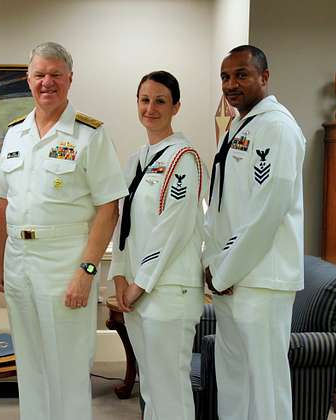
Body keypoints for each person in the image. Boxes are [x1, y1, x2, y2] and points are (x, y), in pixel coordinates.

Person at [0, 41, 128, 420]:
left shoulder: (90, 135)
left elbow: (108, 208)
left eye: (55, 75)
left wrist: (87, 271)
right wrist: (0, 264)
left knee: (67, 367)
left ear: (70, 79)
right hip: (19, 262)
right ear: (28, 79)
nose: (46, 82)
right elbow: (4, 202)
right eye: (39, 75)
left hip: (65, 262)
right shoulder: (15, 133)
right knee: (30, 365)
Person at [204, 45, 306, 420]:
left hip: (262, 279)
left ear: (265, 76)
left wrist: (223, 270)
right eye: (225, 77)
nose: (231, 84)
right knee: (235, 381)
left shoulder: (277, 128)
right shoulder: (240, 124)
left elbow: (267, 212)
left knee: (266, 385)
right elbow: (225, 207)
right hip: (231, 278)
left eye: (241, 75)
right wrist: (214, 264)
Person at [109, 70, 206, 420]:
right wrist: (119, 276)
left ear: (176, 106)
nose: (151, 108)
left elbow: (173, 228)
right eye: (145, 100)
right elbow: (124, 223)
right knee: (150, 387)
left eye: (160, 101)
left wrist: (140, 283)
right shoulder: (136, 159)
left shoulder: (184, 158)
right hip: (136, 289)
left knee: (170, 387)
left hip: (168, 291)